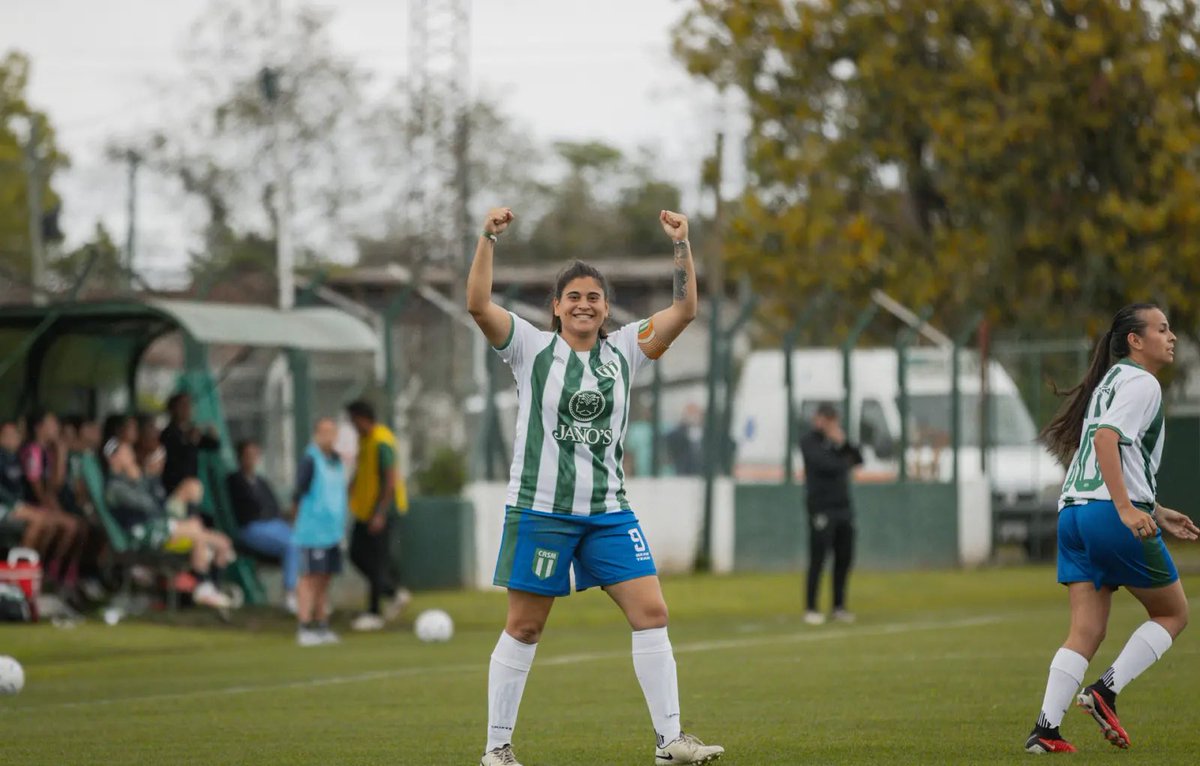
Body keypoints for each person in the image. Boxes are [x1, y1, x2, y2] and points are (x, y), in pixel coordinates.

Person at [467, 206, 723, 766]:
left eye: (594, 297)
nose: (585, 305)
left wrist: (682, 245)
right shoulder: (529, 348)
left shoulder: (626, 349)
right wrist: (487, 237)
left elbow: (685, 308)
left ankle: (669, 743)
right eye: (573, 297)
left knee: (652, 612)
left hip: (608, 513)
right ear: (556, 307)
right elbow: (478, 305)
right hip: (541, 511)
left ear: (606, 308)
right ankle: (497, 748)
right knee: (525, 627)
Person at [1024, 303, 1197, 754]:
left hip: (1074, 514)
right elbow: (1105, 440)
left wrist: (1153, 509)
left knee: (1086, 630)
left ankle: (1045, 730)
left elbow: (1114, 453)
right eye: (1161, 329)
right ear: (1135, 341)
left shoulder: (1111, 380)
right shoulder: (1142, 382)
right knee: (1173, 614)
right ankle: (1105, 691)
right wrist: (1124, 508)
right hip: (1106, 514)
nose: (1171, 336)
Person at [101, 415, 237, 610]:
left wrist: (148, 477)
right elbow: (151, 508)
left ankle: (210, 586)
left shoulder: (131, 481)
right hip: (143, 535)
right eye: (126, 454)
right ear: (114, 459)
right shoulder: (115, 487)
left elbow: (157, 502)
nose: (131, 457)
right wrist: (140, 478)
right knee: (198, 535)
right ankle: (203, 585)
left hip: (160, 527)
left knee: (222, 542)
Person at [345, 399, 410, 632]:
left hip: (381, 510)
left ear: (363, 418)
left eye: (353, 420)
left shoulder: (382, 441)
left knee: (375, 559)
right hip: (365, 510)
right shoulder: (366, 440)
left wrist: (380, 513)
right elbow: (364, 470)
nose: (352, 425)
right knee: (357, 554)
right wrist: (352, 485)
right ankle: (393, 592)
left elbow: (389, 479)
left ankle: (374, 612)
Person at [798, 403, 863, 626]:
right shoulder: (809, 441)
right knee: (818, 559)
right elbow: (827, 465)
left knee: (844, 558)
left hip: (843, 507)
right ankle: (811, 607)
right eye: (824, 419)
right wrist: (843, 459)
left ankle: (839, 606)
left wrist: (842, 444)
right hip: (821, 508)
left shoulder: (839, 442)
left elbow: (858, 459)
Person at [292, 418, 348, 646]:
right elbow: (298, 495)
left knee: (324, 579)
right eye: (323, 432)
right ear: (316, 435)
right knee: (309, 578)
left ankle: (322, 625)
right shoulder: (310, 461)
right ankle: (304, 627)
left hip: (333, 531)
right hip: (312, 531)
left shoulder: (336, 462)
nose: (328, 436)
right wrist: (299, 523)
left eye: (332, 432)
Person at [226, 439, 298, 612]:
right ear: (240, 457)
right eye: (248, 455)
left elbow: (275, 509)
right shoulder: (234, 481)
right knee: (293, 545)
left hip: (275, 526)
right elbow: (247, 511)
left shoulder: (262, 482)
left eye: (255, 455)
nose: (252, 459)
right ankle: (290, 595)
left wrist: (290, 514)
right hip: (252, 528)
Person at [19, 410, 88, 590]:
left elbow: (55, 485)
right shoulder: (31, 451)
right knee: (63, 525)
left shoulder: (47, 452)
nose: (56, 427)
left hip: (44, 505)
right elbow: (38, 490)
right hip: (30, 505)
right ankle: (37, 573)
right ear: (39, 427)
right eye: (51, 423)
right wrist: (53, 511)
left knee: (77, 526)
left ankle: (58, 575)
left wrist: (61, 454)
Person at [0, 421, 58, 558]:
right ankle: (20, 565)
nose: (14, 437)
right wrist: (15, 505)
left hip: (17, 505)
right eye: (8, 434)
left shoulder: (16, 457)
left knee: (49, 522)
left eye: (16, 434)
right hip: (6, 506)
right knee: (38, 521)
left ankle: (35, 565)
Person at [159, 392, 220, 496]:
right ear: (173, 409)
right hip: (175, 488)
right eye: (182, 405)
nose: (187, 409)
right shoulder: (169, 433)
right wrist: (191, 442)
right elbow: (178, 460)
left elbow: (213, 446)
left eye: (189, 405)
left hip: (191, 485)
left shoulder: (190, 430)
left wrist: (213, 433)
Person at [665, 402, 705, 476]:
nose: (694, 416)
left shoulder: (708, 432)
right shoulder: (677, 433)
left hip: (703, 473)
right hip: (683, 473)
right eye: (691, 413)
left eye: (696, 413)